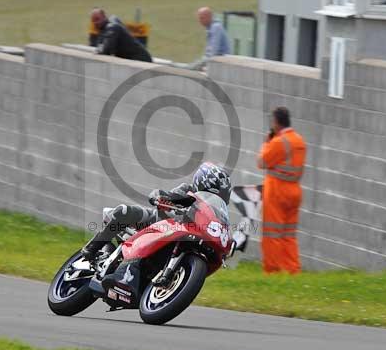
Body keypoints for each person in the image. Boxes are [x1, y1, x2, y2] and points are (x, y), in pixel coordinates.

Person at [80, 162, 231, 261]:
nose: (216, 197)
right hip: (157, 223)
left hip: (183, 236)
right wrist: (160, 197)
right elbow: (167, 196)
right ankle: (91, 249)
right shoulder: (187, 191)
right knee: (124, 211)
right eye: (215, 192)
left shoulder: (214, 211)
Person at [257, 107, 306, 274]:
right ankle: (293, 270)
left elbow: (262, 162)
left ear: (276, 122)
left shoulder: (279, 142)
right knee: (289, 234)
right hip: (295, 191)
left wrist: (266, 142)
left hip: (277, 191)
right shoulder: (299, 140)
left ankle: (272, 271)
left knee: (271, 234)